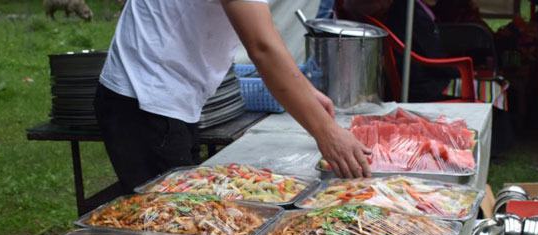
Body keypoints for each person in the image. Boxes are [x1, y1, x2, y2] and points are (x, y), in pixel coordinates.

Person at [94, 0, 371, 194]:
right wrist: (327, 133)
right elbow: (262, 47)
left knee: (183, 214)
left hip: (163, 96)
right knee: (167, 226)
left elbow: (264, 34)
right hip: (145, 99)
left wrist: (306, 92)